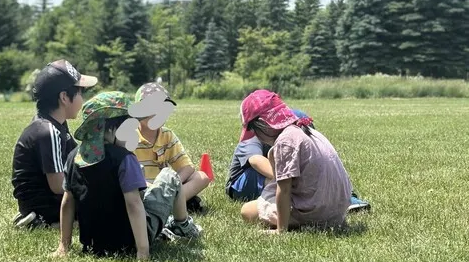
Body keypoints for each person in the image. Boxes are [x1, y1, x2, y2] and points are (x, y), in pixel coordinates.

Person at [53, 91, 202, 260]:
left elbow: (67, 202)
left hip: (93, 243)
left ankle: (64, 247)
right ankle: (182, 225)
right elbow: (133, 204)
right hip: (128, 240)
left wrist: (63, 246)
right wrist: (142, 252)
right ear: (110, 129)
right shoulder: (124, 159)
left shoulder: (74, 157)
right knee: (169, 175)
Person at [238, 90, 354, 232]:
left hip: (317, 213)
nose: (255, 135)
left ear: (263, 124)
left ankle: (301, 223)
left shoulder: (285, 142)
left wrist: (281, 230)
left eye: (253, 130)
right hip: (337, 211)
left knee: (247, 211)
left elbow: (284, 189)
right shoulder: (306, 130)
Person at [226, 107, 371, 212]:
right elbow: (256, 161)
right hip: (244, 180)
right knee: (290, 180)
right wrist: (289, 180)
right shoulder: (253, 134)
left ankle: (348, 198)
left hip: (278, 171)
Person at [11, 60, 97, 229]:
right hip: (45, 205)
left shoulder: (57, 125)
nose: (83, 98)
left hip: (47, 200)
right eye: (80, 92)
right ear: (64, 97)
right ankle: (41, 222)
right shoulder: (48, 131)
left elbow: (78, 159)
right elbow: (58, 185)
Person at [130, 83, 211, 213]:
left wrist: (170, 185)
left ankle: (165, 204)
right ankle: (173, 204)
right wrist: (154, 188)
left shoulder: (167, 135)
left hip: (165, 189)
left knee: (202, 177)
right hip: (141, 189)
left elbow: (187, 167)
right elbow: (128, 176)